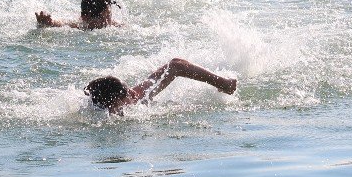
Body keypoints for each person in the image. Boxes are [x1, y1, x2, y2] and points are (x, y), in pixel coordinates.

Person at [85, 58, 238, 115]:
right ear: (114, 104)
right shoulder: (102, 115)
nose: (133, 93)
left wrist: (222, 83)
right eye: (127, 94)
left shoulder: (135, 99)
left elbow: (175, 65)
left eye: (129, 89)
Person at [36, 0, 121, 30]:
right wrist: (47, 23)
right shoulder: (77, 26)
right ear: (85, 17)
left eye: (109, 16)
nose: (107, 22)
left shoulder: (114, 25)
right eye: (102, 18)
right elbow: (61, 23)